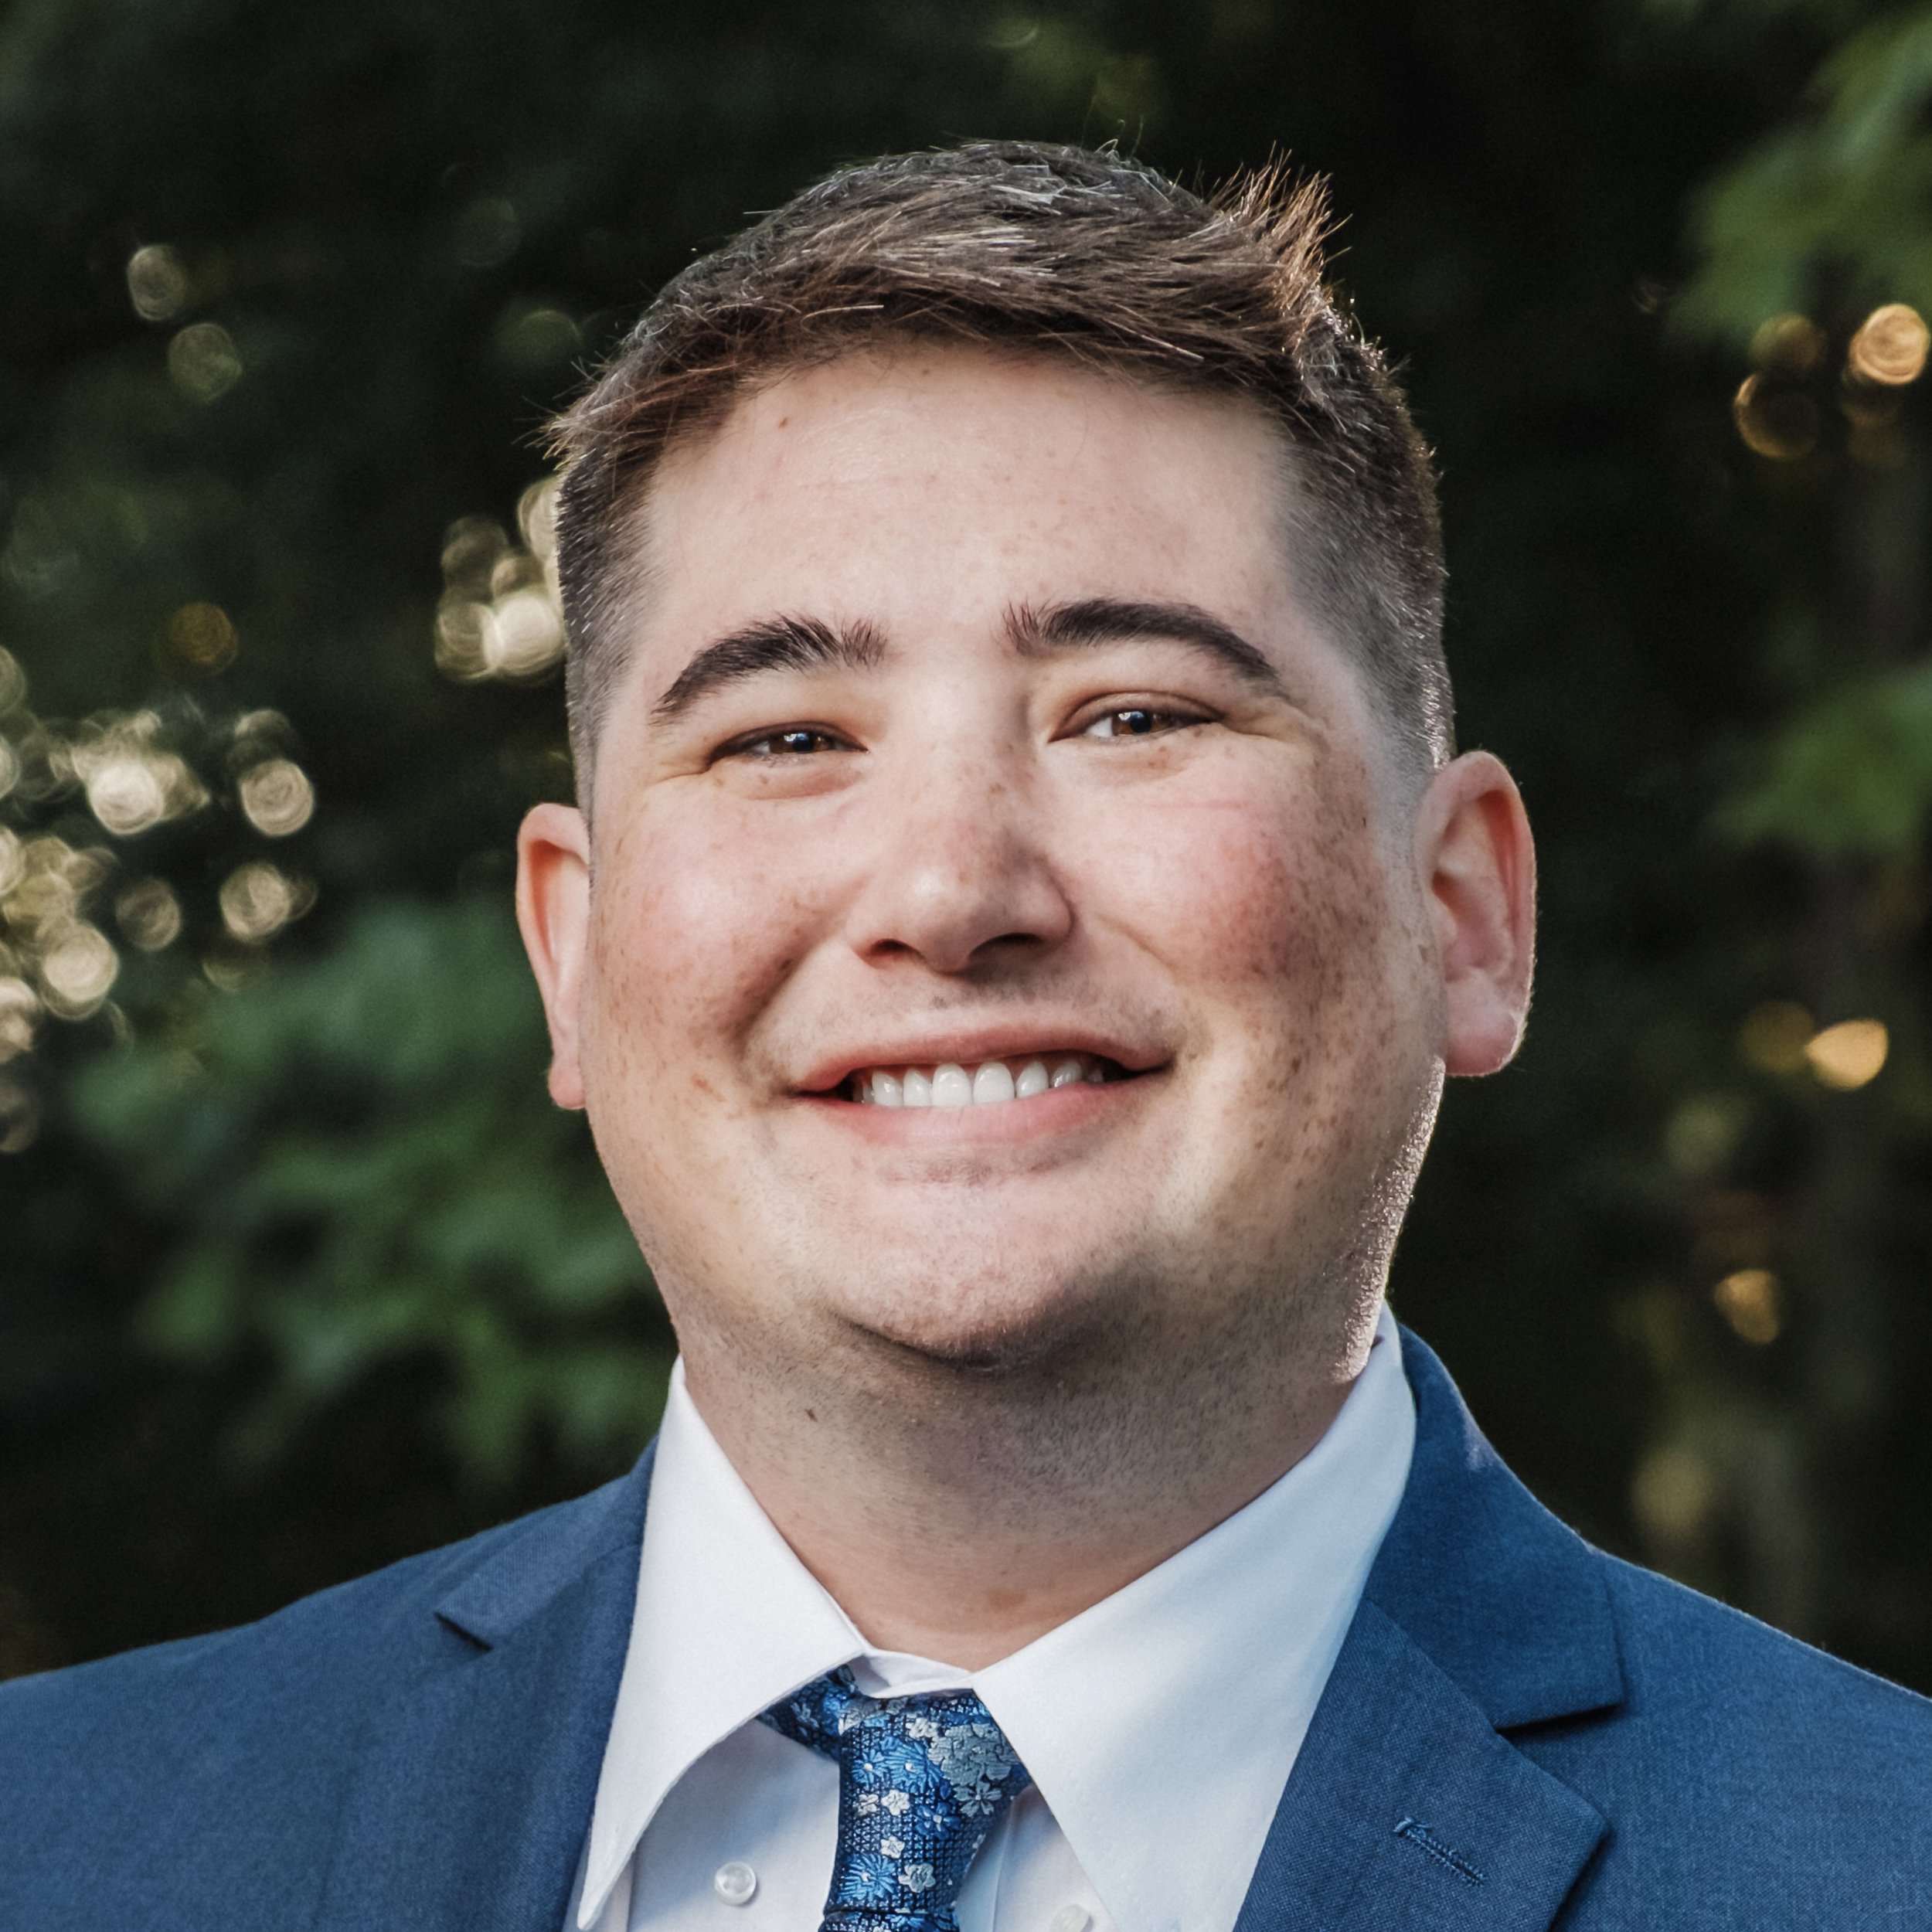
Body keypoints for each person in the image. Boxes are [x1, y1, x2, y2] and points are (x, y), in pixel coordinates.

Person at [2, 140, 1927, 1932]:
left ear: (1463, 913)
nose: (949, 886)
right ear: (570, 954)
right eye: (783, 737)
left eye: (1131, 713)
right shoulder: (57, 1839)